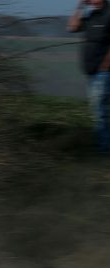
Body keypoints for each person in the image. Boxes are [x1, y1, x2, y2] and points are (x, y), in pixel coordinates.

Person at [69, 0, 110, 153]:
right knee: (99, 109)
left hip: (103, 72)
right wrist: (80, 6)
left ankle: (104, 147)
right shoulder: (91, 15)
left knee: (100, 109)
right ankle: (104, 144)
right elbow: (72, 27)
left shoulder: (108, 15)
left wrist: (106, 64)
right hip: (91, 71)